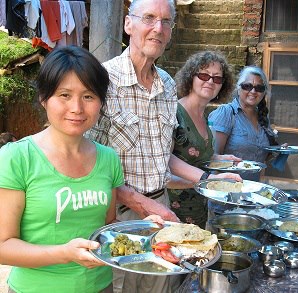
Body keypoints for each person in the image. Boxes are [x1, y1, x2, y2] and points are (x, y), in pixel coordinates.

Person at [85, 0, 243, 291]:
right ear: (128, 24)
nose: (158, 28)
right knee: (123, 287)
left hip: (161, 206)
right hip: (119, 216)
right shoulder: (101, 81)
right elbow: (87, 166)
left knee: (161, 287)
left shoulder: (168, 85)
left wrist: (209, 180)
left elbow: (164, 155)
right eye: (149, 18)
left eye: (166, 21)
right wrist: (138, 202)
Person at [0, 46, 164, 293]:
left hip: (100, 286)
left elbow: (107, 228)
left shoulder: (108, 158)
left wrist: (140, 231)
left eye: (88, 96)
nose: (77, 108)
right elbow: (3, 246)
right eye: (64, 95)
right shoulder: (17, 157)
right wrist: (65, 253)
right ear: (44, 99)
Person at [168, 51, 242, 229]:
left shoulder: (204, 116)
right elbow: (166, 159)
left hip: (199, 207)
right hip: (173, 209)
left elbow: (196, 154)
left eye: (217, 79)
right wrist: (209, 179)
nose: (210, 81)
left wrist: (222, 160)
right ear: (190, 77)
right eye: (204, 75)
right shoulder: (174, 112)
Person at [207, 65, 283, 218]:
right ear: (238, 87)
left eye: (259, 88)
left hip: (252, 197)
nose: (253, 91)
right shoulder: (226, 113)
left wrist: (278, 151)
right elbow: (212, 159)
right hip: (226, 200)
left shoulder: (263, 118)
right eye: (247, 86)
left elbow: (259, 157)